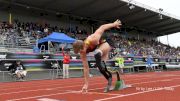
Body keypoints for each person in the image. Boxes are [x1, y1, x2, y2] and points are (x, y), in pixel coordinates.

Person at [73, 19, 122, 92]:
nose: (82, 53)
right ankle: (115, 73)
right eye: (80, 52)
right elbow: (86, 68)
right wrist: (86, 84)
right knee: (100, 68)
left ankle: (109, 79)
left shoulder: (93, 39)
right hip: (101, 50)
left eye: (81, 51)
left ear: (83, 46)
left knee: (97, 52)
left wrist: (114, 24)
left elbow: (102, 27)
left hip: (107, 43)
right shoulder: (82, 53)